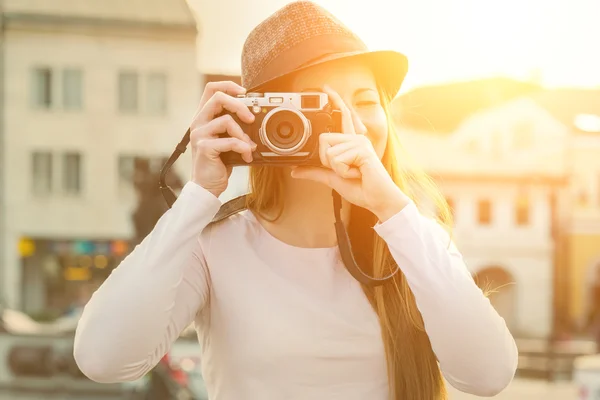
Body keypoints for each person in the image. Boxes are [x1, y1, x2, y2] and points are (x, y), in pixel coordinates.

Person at [73, 2, 518, 399]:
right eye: (317, 104)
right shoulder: (214, 245)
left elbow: (487, 375)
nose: (348, 122)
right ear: (261, 121)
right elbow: (104, 360)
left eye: (364, 100)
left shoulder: (414, 239)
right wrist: (198, 196)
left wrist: (393, 211)